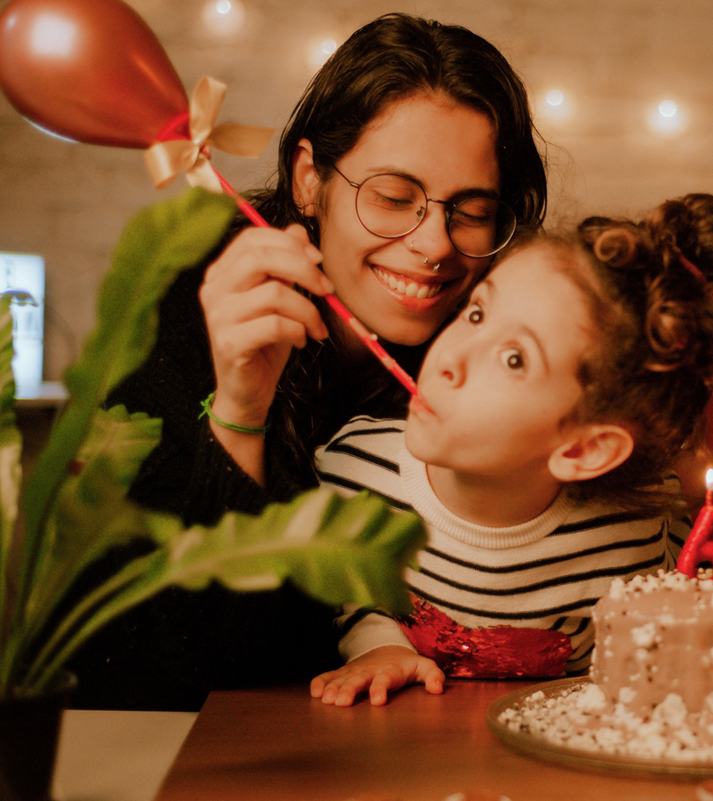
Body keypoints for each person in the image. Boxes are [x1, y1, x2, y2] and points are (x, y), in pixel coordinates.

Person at [67, 13, 548, 711]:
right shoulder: (190, 317)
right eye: (394, 198)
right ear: (307, 180)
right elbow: (191, 658)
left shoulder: (493, 348)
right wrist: (240, 411)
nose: (435, 244)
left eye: (471, 211)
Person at [308, 194, 713, 707]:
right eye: (477, 313)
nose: (451, 358)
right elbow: (350, 596)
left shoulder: (632, 540)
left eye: (514, 358)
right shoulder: (354, 470)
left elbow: (682, 638)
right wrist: (378, 648)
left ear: (585, 450)